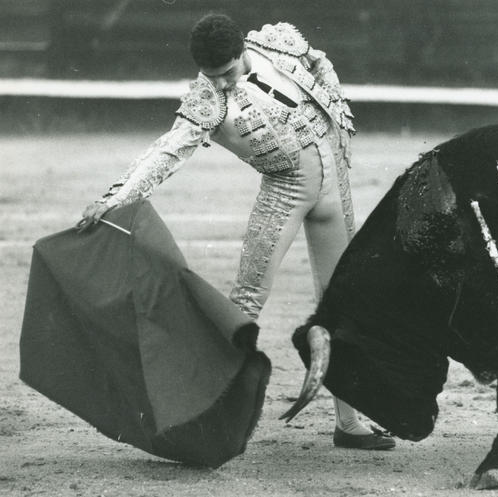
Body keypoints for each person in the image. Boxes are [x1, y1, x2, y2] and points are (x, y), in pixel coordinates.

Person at [77, 13, 394, 450]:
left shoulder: (277, 44)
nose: (221, 84)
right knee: (246, 302)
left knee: (344, 301)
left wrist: (336, 112)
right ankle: (200, 413)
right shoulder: (206, 100)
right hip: (286, 191)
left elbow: (319, 61)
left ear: (242, 50)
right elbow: (167, 151)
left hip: (334, 183)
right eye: (212, 76)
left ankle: (349, 422)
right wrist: (116, 198)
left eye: (227, 72)